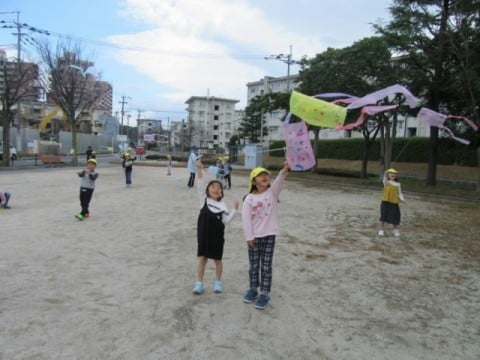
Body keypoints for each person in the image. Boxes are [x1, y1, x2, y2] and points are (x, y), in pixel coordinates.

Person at [241, 161, 290, 310]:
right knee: (254, 266)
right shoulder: (249, 199)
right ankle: (253, 289)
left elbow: (280, 179)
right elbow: (246, 220)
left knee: (266, 266)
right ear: (254, 181)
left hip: (269, 235)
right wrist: (249, 237)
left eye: (266, 175)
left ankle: (264, 293)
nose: (264, 177)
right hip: (254, 238)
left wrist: (285, 169)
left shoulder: (272, 193)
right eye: (260, 175)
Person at [193, 159, 239, 295]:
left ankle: (218, 282)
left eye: (218, 187)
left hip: (217, 237)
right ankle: (199, 284)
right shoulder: (204, 201)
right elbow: (200, 185)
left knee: (218, 260)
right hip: (204, 235)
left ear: (221, 193)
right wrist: (199, 170)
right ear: (207, 191)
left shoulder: (223, 206)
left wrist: (234, 210)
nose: (215, 189)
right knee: (203, 258)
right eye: (212, 187)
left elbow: (226, 221)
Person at [378, 168, 406, 237]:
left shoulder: (398, 184)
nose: (393, 174)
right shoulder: (386, 182)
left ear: (396, 176)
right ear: (388, 175)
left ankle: (395, 230)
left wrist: (402, 199)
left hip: (394, 202)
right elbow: (384, 179)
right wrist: (385, 174)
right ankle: (381, 230)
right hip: (385, 201)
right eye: (391, 173)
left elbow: (399, 193)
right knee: (383, 215)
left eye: (394, 174)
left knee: (395, 216)